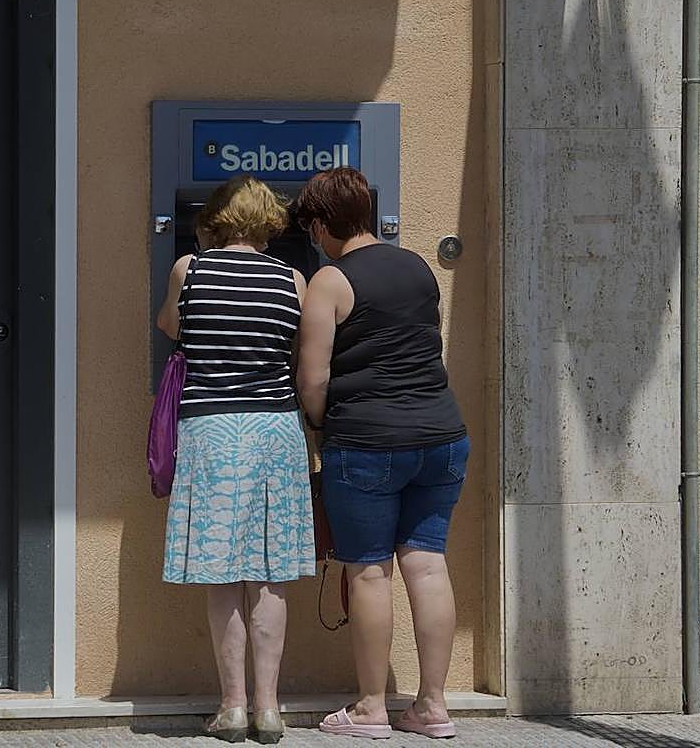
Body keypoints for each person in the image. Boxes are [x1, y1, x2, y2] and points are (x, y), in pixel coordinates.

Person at [295, 167, 469, 740]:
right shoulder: (417, 265)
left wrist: (319, 425)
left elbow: (313, 377)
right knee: (427, 562)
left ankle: (371, 707)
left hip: (368, 441)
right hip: (442, 437)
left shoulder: (330, 281)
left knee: (368, 570)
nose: (313, 238)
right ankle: (433, 706)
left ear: (322, 223)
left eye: (311, 228)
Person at [156, 174, 317, 744]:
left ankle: (232, 707)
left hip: (212, 430)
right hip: (275, 429)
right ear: (269, 220)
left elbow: (170, 327)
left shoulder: (189, 270)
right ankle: (270, 710)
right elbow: (300, 348)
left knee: (223, 574)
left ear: (217, 219)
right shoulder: (293, 279)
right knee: (270, 573)